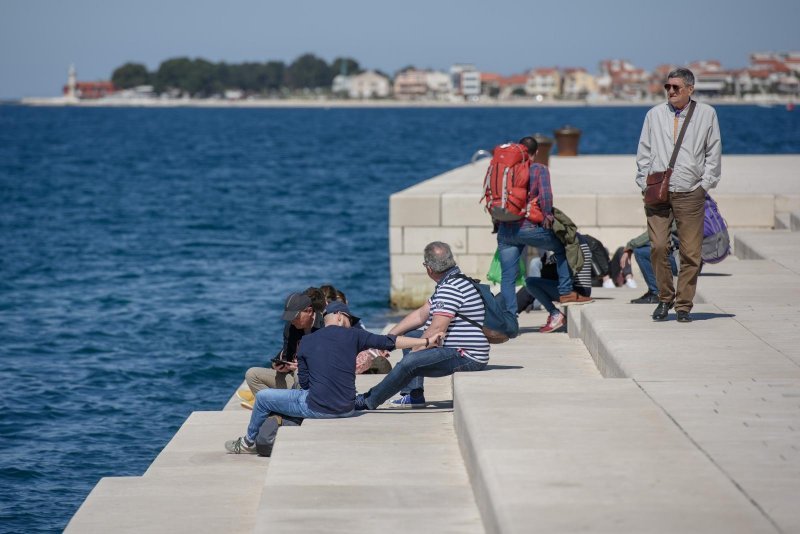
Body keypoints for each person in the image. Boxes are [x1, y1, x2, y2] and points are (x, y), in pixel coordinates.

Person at [225, 301, 440, 454]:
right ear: (339, 316)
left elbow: (306, 385)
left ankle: (247, 443)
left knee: (264, 398)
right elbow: (390, 341)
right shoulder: (356, 335)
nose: (349, 322)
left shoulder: (307, 343)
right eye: (348, 318)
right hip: (347, 409)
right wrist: (425, 343)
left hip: (317, 408)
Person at [355, 241, 488, 410]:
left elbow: (437, 329)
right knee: (410, 337)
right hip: (458, 348)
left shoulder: (450, 289)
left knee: (409, 363)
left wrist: (413, 353)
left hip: (467, 355)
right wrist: (386, 341)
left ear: (429, 268)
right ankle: (413, 396)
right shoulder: (453, 281)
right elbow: (419, 315)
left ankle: (368, 400)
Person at [635, 68, 721, 323]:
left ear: (690, 89)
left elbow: (713, 151)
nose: (671, 92)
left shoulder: (706, 114)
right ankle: (664, 297)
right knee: (658, 246)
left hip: (690, 190)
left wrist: (704, 185)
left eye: (676, 88)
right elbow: (644, 151)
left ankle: (683, 305)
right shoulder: (654, 114)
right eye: (668, 87)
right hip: (657, 191)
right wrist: (643, 182)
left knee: (691, 252)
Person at [496, 136, 590, 317]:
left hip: (506, 229)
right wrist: (547, 216)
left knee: (508, 277)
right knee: (563, 246)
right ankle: (565, 292)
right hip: (529, 227)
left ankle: (509, 318)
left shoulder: (507, 170)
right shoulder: (539, 169)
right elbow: (546, 197)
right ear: (536, 152)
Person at [239, 288, 325, 407]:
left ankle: (291, 408)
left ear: (309, 311)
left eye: (295, 317)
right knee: (252, 374)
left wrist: (303, 367)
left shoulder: (325, 326)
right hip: (296, 380)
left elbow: (329, 363)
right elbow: (287, 355)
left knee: (299, 373)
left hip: (319, 383)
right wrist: (280, 365)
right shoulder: (290, 327)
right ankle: (275, 407)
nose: (292, 321)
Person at [524, 234, 593, 333]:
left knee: (530, 283)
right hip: (581, 288)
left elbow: (564, 257)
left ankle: (555, 314)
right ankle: (554, 314)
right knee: (534, 282)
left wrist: (550, 259)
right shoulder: (578, 239)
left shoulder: (572, 242)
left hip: (577, 290)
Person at [620, 226, 679, 304]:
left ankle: (656, 292)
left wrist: (630, 246)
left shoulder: (676, 215)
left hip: (682, 261)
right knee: (645, 249)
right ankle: (655, 291)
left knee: (640, 252)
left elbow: (655, 232)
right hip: (681, 257)